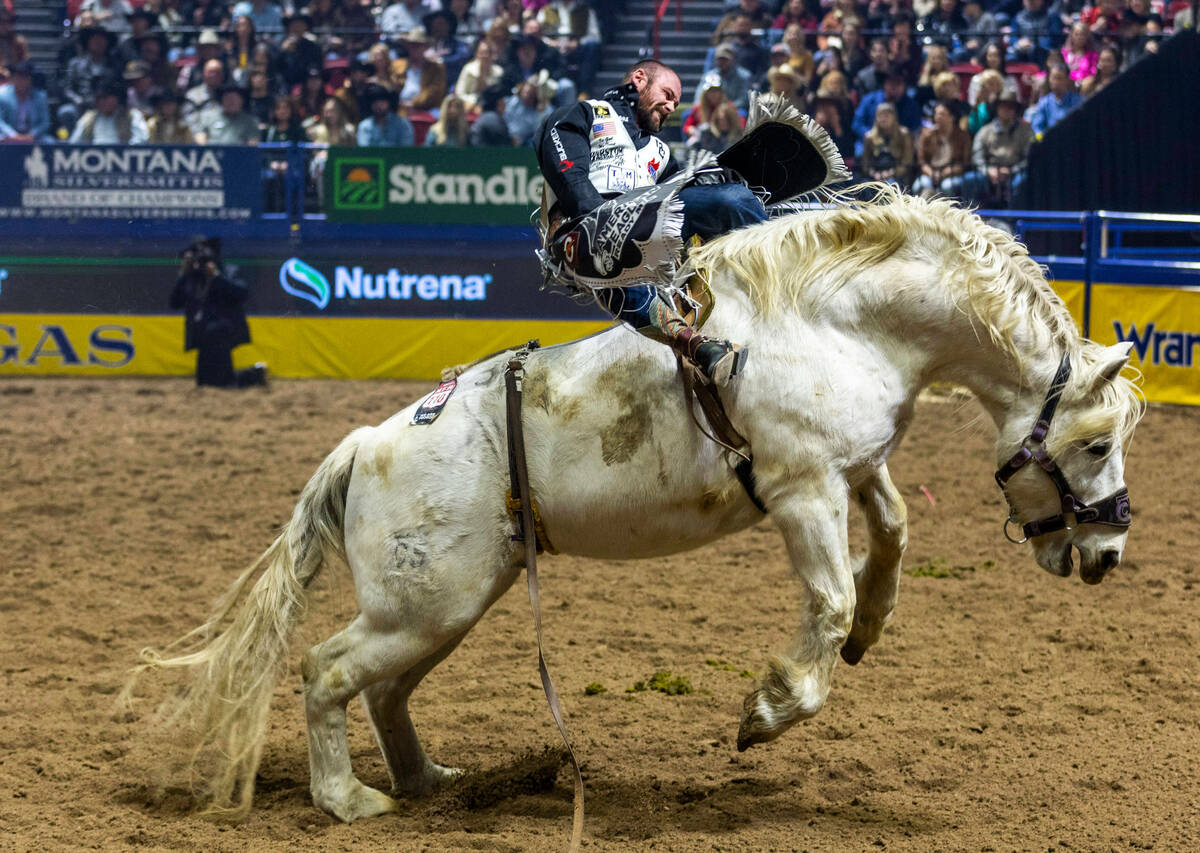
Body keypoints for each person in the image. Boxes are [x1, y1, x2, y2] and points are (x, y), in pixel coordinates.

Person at [535, 59, 768, 386]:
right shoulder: (584, 113)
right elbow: (568, 172)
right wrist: (600, 219)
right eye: (667, 93)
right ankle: (695, 345)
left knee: (733, 200)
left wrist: (725, 181)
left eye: (676, 100)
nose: (673, 105)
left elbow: (685, 194)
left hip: (651, 220)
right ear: (639, 78)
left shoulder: (660, 150)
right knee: (620, 258)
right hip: (588, 230)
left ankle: (778, 279)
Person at [169, 237, 267, 389]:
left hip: (221, 333)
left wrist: (215, 276)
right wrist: (184, 272)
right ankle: (254, 374)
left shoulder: (223, 273)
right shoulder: (192, 278)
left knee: (226, 382)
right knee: (204, 382)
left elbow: (241, 294)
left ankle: (254, 375)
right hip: (202, 335)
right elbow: (174, 302)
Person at [965, 90, 1033, 206]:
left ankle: (1014, 219)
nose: (1007, 110)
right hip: (989, 171)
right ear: (997, 108)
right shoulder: (985, 131)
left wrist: (1012, 171)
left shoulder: (1026, 131)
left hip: (1016, 172)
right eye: (1003, 106)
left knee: (1022, 181)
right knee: (970, 179)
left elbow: (1029, 157)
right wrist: (988, 171)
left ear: (1016, 110)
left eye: (1011, 107)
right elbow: (977, 157)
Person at [912, 100, 971, 198]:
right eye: (936, 114)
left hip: (953, 173)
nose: (937, 117)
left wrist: (948, 172)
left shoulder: (962, 136)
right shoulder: (927, 136)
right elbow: (922, 161)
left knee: (947, 186)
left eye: (942, 114)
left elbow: (965, 162)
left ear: (952, 117)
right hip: (931, 172)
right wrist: (931, 173)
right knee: (920, 185)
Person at [69, 75, 149, 142]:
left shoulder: (132, 116)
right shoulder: (88, 118)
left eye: (105, 97)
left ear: (116, 98)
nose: (101, 102)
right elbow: (74, 143)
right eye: (98, 98)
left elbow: (141, 139)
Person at [859, 101, 914, 188]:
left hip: (897, 175)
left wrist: (891, 173)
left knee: (891, 185)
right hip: (875, 176)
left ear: (894, 117)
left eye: (887, 116)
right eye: (880, 116)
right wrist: (874, 173)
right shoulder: (869, 137)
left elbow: (907, 162)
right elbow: (865, 163)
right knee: (865, 187)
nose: (883, 119)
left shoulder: (903, 134)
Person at [0, 60, 51, 142]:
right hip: (8, 136)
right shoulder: (2, 94)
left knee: (49, 141)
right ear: (14, 78)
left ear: (30, 79)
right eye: (19, 76)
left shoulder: (40, 96)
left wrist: (31, 135)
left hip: (32, 137)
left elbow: (45, 123)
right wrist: (13, 135)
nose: (22, 80)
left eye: (25, 76)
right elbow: (0, 122)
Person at [196, 84, 261, 145]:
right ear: (222, 101)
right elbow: (200, 137)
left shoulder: (251, 121)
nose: (231, 103)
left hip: (239, 154)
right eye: (227, 99)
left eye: (234, 99)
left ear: (242, 101)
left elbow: (253, 142)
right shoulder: (207, 117)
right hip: (212, 154)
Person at [1029, 64, 1082, 136]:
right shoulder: (1044, 102)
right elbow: (1037, 127)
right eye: (1053, 78)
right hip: (1049, 142)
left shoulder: (1078, 101)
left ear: (1067, 80)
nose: (1056, 82)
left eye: (1059, 78)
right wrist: (1041, 140)